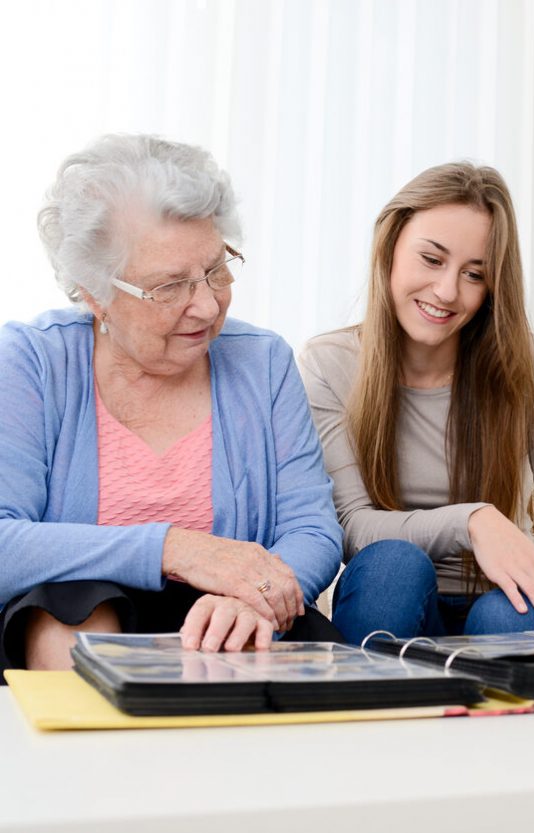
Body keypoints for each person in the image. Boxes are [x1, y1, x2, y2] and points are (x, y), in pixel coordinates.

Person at [0, 134, 343, 673]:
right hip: (87, 629)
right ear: (94, 293)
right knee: (68, 610)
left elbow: (312, 527)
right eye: (170, 288)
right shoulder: (33, 362)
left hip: (230, 625)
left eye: (215, 270)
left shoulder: (263, 361)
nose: (206, 305)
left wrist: (248, 594)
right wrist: (178, 550)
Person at [299, 161, 534, 645]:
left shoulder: (532, 365)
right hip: (391, 595)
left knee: (520, 607)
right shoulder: (330, 364)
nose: (447, 291)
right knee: (392, 566)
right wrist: (472, 521)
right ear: (390, 247)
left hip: (498, 599)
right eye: (431, 259)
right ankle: (368, 714)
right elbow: (351, 527)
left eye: (474, 274)